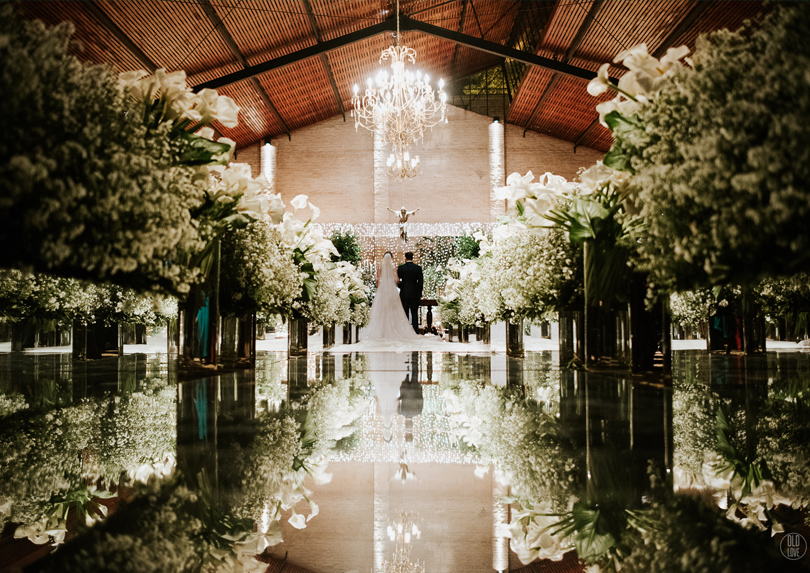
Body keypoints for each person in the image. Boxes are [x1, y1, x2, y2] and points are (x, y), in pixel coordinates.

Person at [360, 252, 419, 341]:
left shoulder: (380, 267)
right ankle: (395, 329)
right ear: (391, 258)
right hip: (392, 290)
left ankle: (381, 330)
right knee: (393, 310)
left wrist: (379, 289)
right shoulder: (394, 267)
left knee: (381, 310)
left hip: (383, 290)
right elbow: (397, 279)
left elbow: (378, 280)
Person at [397, 252, 423, 333]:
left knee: (405, 313)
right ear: (412, 258)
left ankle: (406, 331)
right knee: (414, 313)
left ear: (405, 258)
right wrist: (419, 292)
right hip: (415, 294)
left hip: (404, 293)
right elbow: (421, 282)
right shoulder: (418, 268)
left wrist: (402, 287)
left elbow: (398, 280)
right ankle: (415, 331)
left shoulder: (401, 268)